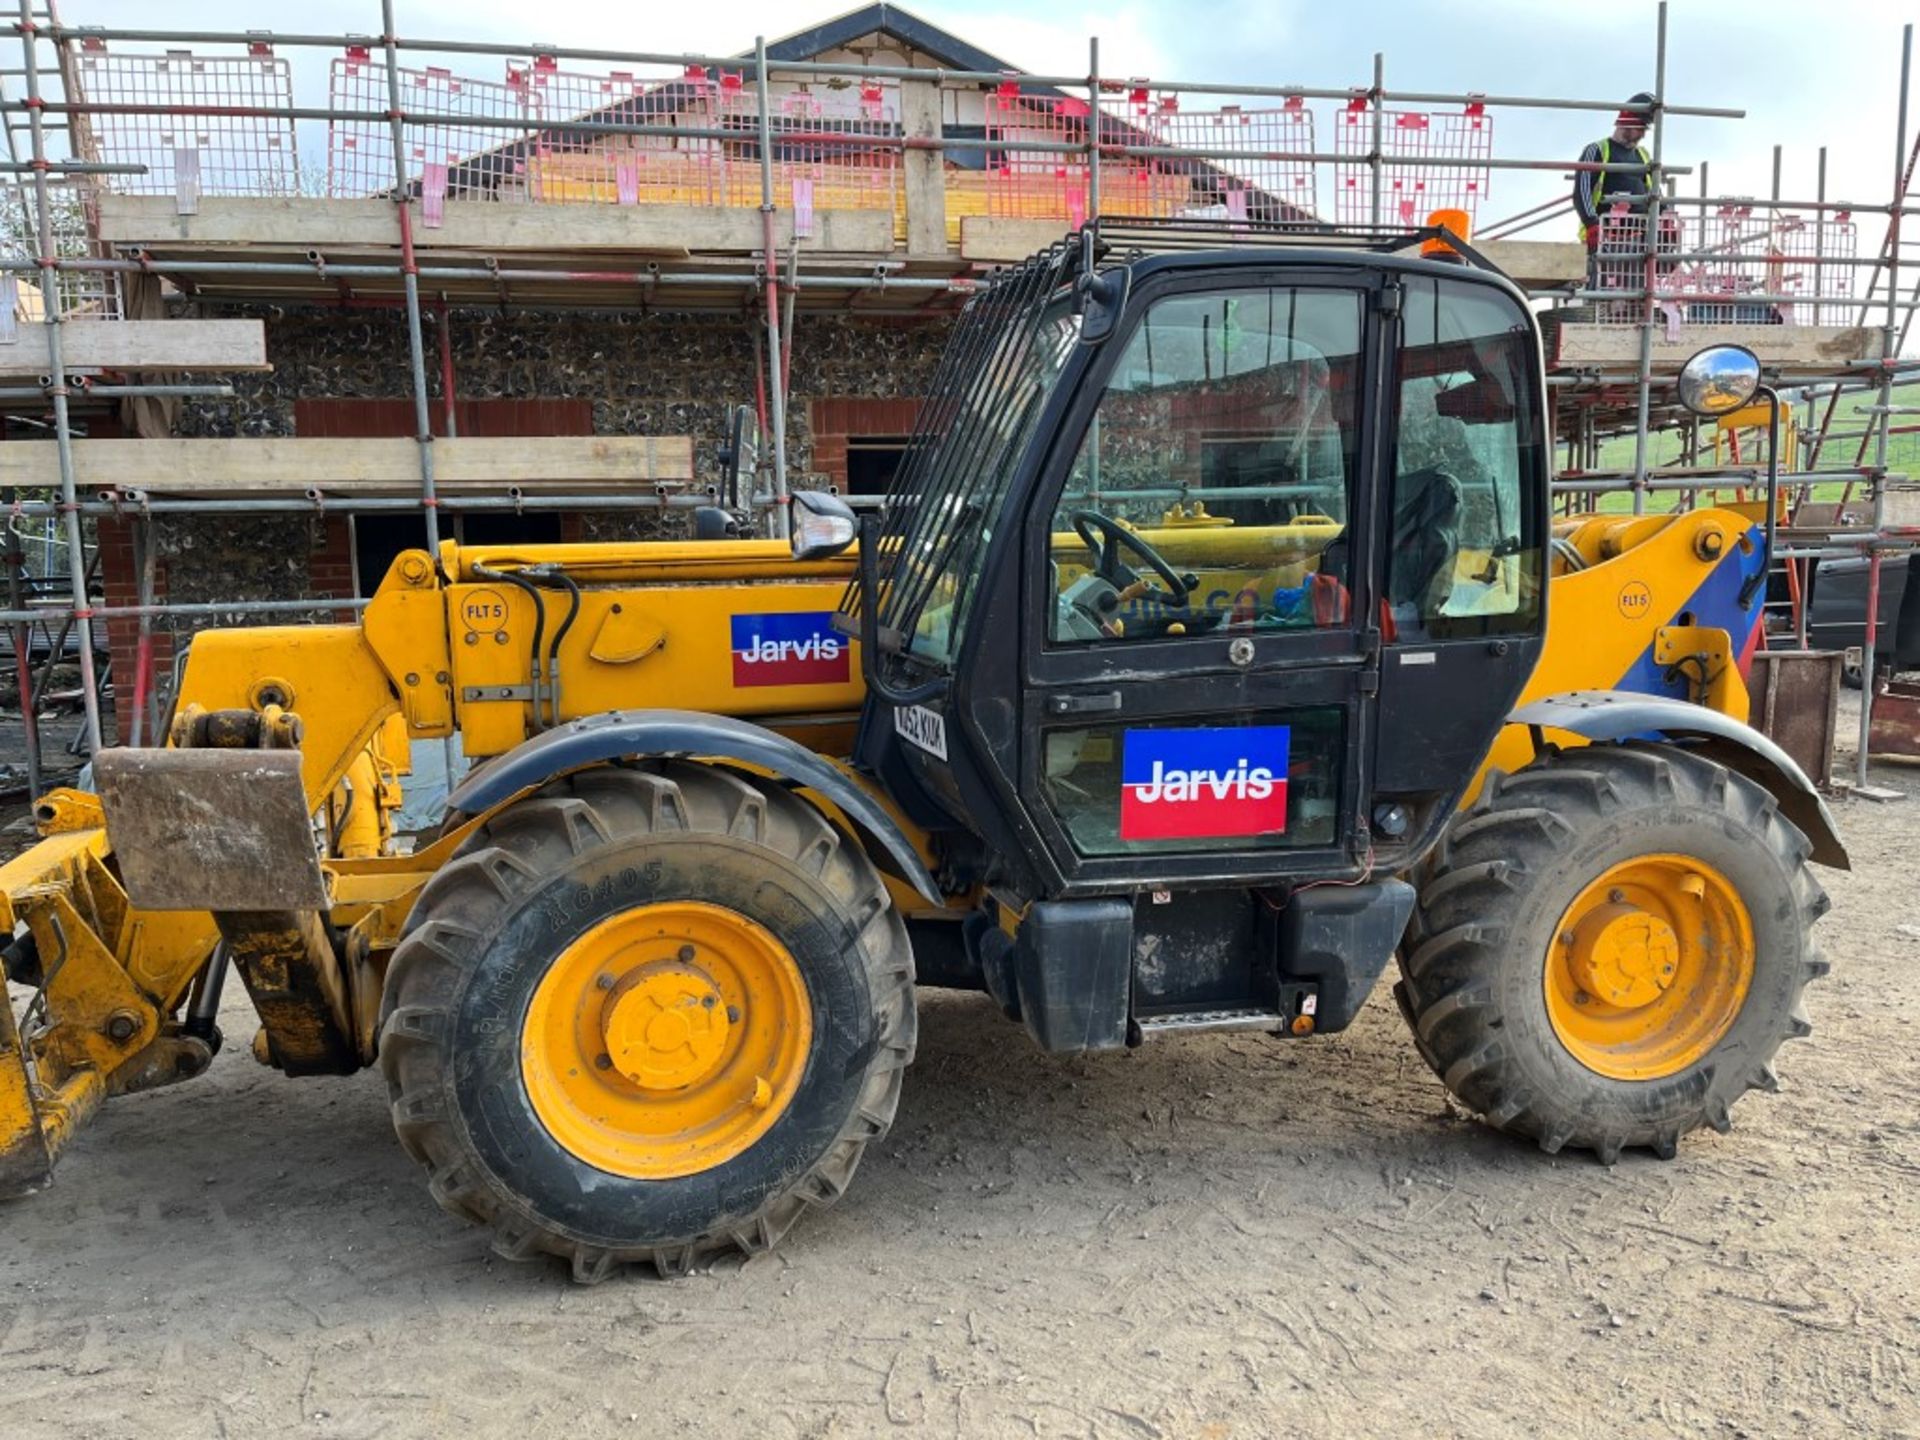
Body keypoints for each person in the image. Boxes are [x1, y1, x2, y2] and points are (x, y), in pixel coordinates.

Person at [1573, 94, 1656, 252]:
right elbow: (1581, 192)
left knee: (1640, 276)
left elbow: (1655, 192)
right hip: (1604, 239)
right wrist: (1591, 223)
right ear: (1627, 123)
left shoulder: (1643, 155)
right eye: (1640, 128)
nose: (1643, 135)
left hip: (1639, 240)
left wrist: (1665, 220)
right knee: (1601, 276)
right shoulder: (1597, 150)